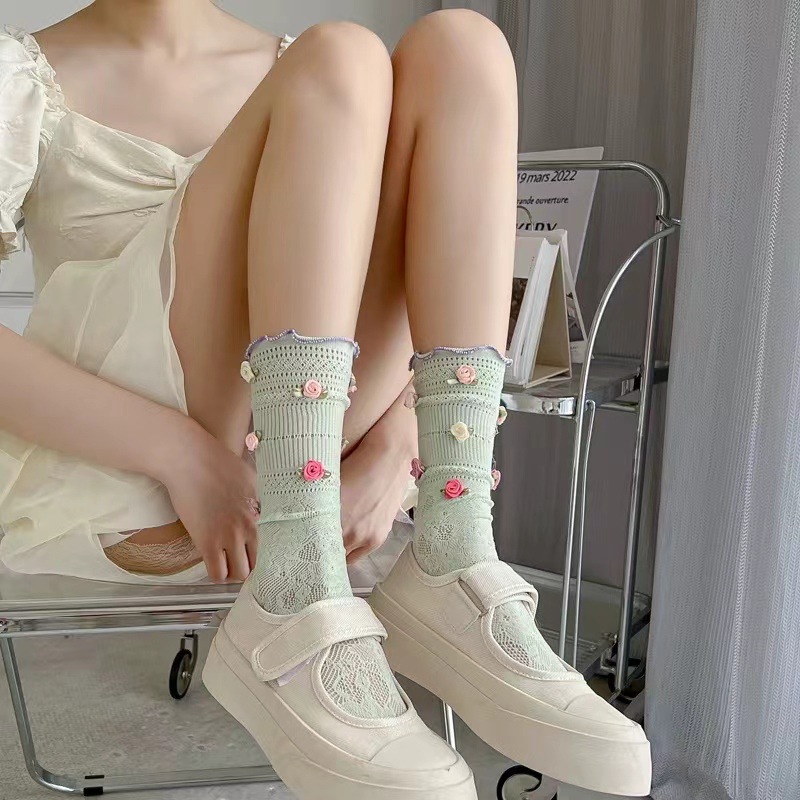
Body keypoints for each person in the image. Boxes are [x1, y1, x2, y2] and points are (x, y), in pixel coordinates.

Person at [0, 2, 651, 797]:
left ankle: (455, 549)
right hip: (135, 470)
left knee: (465, 46)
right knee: (339, 57)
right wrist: (179, 452)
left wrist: (398, 446)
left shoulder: (304, 70)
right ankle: (296, 587)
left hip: (306, 456)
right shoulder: (22, 74)